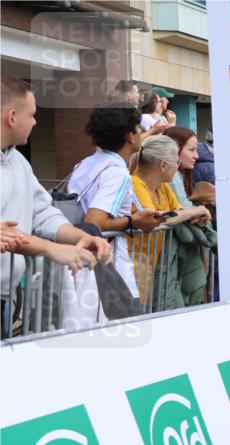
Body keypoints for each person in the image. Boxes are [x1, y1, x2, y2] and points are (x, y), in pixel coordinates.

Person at [1, 75, 113, 336]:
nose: (36, 122)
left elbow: (42, 212)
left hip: (6, 296)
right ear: (12, 116)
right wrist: (51, 249)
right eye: (33, 114)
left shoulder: (18, 162)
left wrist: (80, 237)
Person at [70, 103, 165, 297]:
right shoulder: (117, 173)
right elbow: (93, 222)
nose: (141, 133)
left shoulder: (85, 163)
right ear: (130, 136)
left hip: (83, 263)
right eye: (139, 129)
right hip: (109, 267)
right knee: (123, 323)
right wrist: (135, 221)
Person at [130, 136, 213, 306]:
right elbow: (157, 219)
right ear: (163, 165)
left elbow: (179, 211)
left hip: (155, 263)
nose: (178, 167)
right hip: (136, 265)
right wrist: (196, 211)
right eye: (176, 162)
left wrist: (197, 215)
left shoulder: (163, 187)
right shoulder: (135, 184)